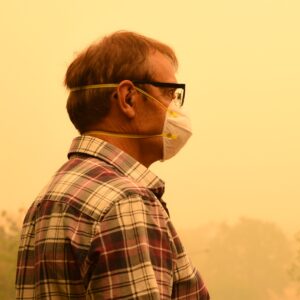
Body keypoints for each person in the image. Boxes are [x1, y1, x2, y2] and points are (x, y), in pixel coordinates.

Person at [15, 31, 210, 299]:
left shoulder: (51, 196)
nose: (176, 110)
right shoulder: (124, 201)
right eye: (169, 93)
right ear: (128, 97)